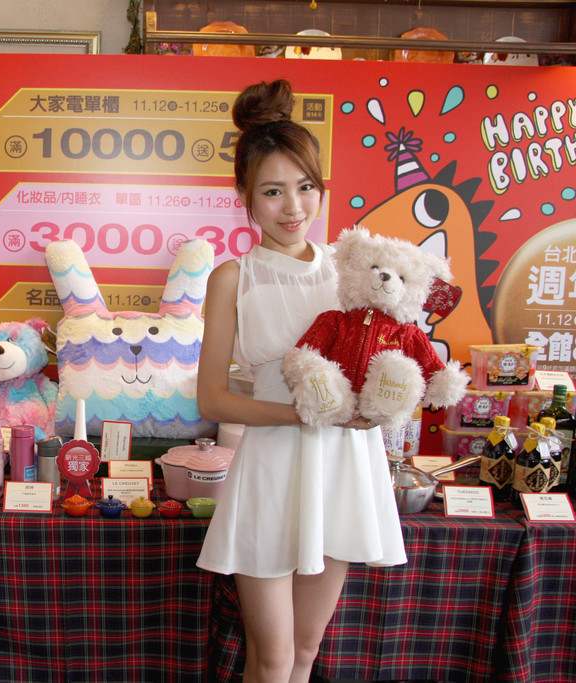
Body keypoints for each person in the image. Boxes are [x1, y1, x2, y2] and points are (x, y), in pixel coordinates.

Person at [195, 79, 406, 683]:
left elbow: (387, 358)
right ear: (245, 196)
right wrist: (304, 414)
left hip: (343, 467)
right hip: (272, 466)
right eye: (273, 191)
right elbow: (212, 398)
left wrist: (380, 404)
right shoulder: (232, 278)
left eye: (305, 187)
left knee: (308, 650)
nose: (293, 207)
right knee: (273, 657)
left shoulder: (352, 272)